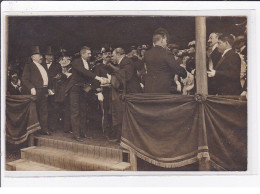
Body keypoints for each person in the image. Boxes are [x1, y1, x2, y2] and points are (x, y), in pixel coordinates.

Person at [65, 46, 108, 142]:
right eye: (88, 53)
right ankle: (76, 135)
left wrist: (91, 84)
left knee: (83, 111)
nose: (90, 55)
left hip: (82, 89)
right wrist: (98, 78)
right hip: (75, 89)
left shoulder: (87, 62)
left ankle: (83, 133)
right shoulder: (76, 62)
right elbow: (84, 72)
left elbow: (87, 76)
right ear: (82, 54)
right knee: (75, 112)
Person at [109, 47, 142, 142]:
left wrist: (111, 78)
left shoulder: (126, 62)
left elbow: (126, 76)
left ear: (119, 54)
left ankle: (128, 139)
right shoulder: (124, 62)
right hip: (127, 92)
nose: (112, 58)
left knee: (129, 116)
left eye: (113, 55)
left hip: (131, 92)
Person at [22, 46, 50, 135]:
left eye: (41, 56)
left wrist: (48, 88)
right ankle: (35, 131)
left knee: (44, 110)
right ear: (33, 57)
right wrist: (31, 88)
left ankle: (44, 129)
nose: (41, 57)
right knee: (35, 111)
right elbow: (25, 79)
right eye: (39, 55)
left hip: (44, 90)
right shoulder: (29, 66)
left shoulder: (42, 66)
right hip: (36, 91)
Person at [144, 28, 177, 93]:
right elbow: (176, 68)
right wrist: (184, 73)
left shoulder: (147, 54)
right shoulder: (166, 53)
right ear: (162, 40)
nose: (166, 43)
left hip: (149, 88)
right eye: (166, 40)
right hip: (163, 89)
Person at [43, 46, 62, 132]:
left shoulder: (57, 65)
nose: (51, 57)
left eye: (52, 56)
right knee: (44, 108)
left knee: (53, 108)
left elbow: (59, 76)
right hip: (43, 90)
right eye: (49, 55)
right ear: (45, 56)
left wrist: (57, 78)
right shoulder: (41, 64)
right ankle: (44, 127)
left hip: (53, 89)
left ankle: (52, 127)